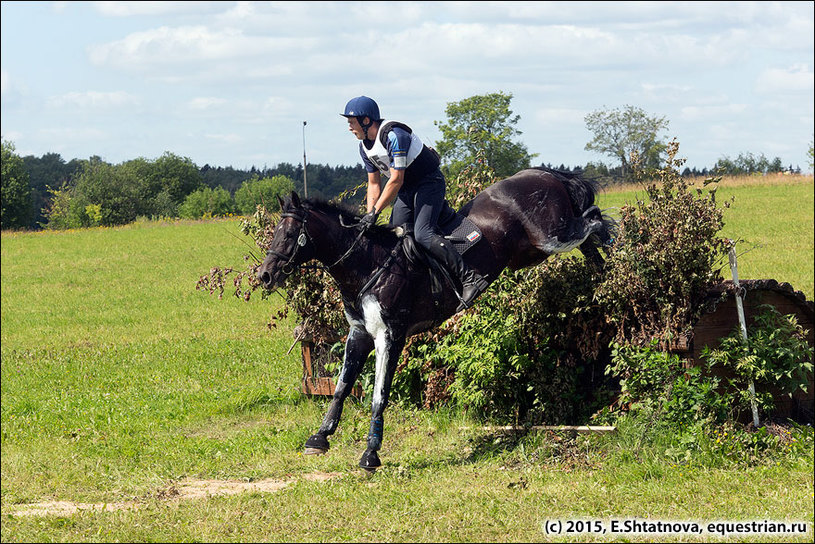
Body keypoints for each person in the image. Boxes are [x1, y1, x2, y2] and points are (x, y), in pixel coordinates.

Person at [341, 95, 488, 311]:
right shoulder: (364, 148)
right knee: (395, 236)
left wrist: (376, 212)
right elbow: (374, 184)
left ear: (365, 120)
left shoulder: (394, 136)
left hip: (429, 183)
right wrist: (368, 215)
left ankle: (470, 278)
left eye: (351, 123)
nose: (349, 128)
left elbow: (396, 179)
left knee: (423, 234)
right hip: (407, 190)